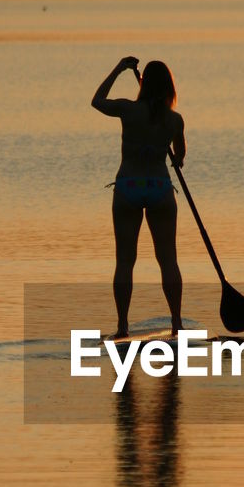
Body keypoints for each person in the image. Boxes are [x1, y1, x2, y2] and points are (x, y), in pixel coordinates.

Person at [92, 57, 186, 338]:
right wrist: (175, 158)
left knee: (124, 261)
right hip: (159, 188)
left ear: (142, 84)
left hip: (128, 188)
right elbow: (179, 158)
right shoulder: (175, 120)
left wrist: (119, 68)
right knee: (168, 260)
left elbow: (97, 101)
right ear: (169, 87)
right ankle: (177, 323)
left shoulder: (127, 110)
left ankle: (122, 326)